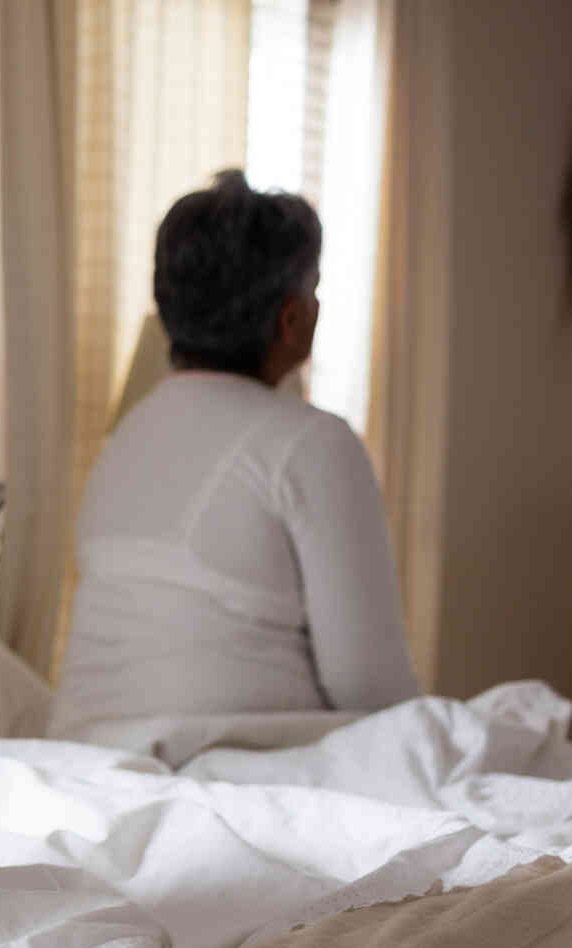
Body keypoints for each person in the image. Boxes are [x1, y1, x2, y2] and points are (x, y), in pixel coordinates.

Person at [52, 169, 419, 749]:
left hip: (87, 761)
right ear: (291, 319)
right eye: (314, 289)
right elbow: (371, 688)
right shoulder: (313, 444)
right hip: (241, 772)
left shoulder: (124, 441)